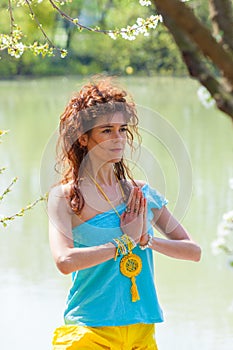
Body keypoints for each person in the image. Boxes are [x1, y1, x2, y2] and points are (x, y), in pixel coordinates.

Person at [48, 77, 201, 350]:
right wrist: (123, 243)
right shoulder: (66, 197)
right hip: (89, 331)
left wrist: (146, 240)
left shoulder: (141, 193)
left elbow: (192, 251)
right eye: (106, 130)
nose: (118, 138)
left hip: (141, 331)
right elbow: (64, 261)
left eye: (121, 129)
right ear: (83, 138)